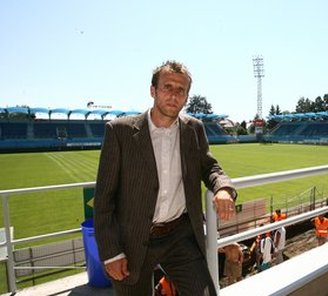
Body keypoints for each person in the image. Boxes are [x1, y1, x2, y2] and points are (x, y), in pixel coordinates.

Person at [94, 60, 237, 296]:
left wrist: (223, 189)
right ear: (153, 91)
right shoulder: (119, 131)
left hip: (180, 236)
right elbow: (104, 199)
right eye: (167, 87)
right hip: (131, 240)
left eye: (180, 90)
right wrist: (111, 252)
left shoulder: (194, 129)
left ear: (186, 97)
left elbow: (210, 167)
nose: (173, 95)